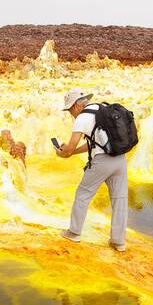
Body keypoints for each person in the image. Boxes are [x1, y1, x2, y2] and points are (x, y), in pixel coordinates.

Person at [54, 90, 127, 252]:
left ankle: (73, 232)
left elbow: (69, 148)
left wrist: (63, 153)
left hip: (102, 161)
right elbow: (95, 142)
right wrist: (73, 152)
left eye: (70, 110)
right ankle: (118, 242)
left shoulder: (82, 117)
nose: (70, 113)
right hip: (120, 159)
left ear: (75, 105)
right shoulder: (102, 110)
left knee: (83, 193)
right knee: (119, 199)